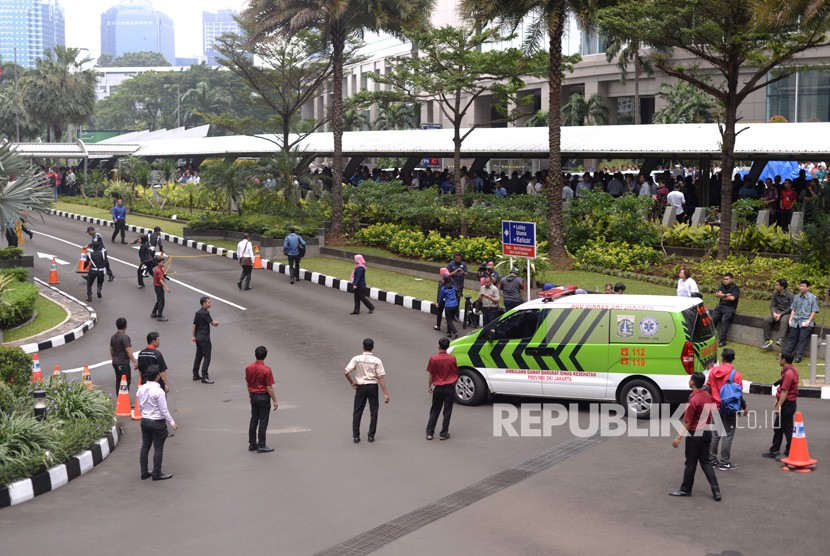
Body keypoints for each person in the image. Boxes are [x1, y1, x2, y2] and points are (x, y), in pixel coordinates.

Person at [670, 372, 721, 501]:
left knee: (690, 463)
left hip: (695, 435)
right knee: (706, 462)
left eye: (690, 379)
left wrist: (678, 437)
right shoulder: (708, 396)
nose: (689, 380)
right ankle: (716, 491)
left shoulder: (693, 400)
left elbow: (688, 422)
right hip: (707, 433)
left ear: (692, 382)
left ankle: (685, 489)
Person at [706, 348, 746, 471]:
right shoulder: (736, 375)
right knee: (728, 434)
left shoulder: (713, 372)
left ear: (722, 358)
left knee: (715, 434)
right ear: (733, 358)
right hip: (729, 408)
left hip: (715, 406)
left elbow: (708, 387)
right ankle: (724, 462)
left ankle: (712, 460)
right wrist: (744, 407)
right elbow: (738, 394)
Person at [344, 338, 390, 443]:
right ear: (372, 347)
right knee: (374, 411)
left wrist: (352, 382)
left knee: (357, 411)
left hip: (361, 387)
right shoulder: (377, 361)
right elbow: (381, 378)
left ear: (363, 347)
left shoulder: (356, 359)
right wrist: (385, 394)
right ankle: (371, 436)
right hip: (373, 387)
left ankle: (356, 436)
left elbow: (346, 372)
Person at [137, 365, 177, 481]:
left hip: (145, 421)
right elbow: (164, 410)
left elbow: (140, 406)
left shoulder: (141, 389)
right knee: (158, 448)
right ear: (157, 376)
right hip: (157, 422)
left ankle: (144, 472)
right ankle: (157, 473)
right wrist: (172, 422)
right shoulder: (159, 391)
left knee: (145, 446)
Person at [763, 352, 799, 461]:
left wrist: (779, 405)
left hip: (787, 404)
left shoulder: (788, 374)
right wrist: (777, 401)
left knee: (787, 429)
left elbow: (785, 391)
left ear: (784, 360)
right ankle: (775, 450)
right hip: (787, 403)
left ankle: (791, 451)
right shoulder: (791, 370)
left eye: (779, 358)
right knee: (779, 427)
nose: (779, 360)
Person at [245, 346, 278, 453]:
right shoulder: (266, 370)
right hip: (263, 397)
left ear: (255, 354)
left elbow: (248, 383)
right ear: (265, 356)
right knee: (263, 421)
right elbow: (269, 387)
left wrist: (250, 395)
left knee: (254, 419)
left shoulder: (248, 368)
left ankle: (252, 443)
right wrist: (275, 400)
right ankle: (261, 444)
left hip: (253, 395)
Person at [425, 337, 458, 441]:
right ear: (448, 347)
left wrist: (429, 386)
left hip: (438, 388)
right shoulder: (452, 358)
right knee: (447, 411)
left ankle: (430, 433)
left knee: (435, 410)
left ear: (438, 346)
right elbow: (455, 372)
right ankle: (444, 433)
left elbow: (431, 374)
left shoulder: (433, 359)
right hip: (449, 388)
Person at [785, 280, 819, 363]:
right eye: (800, 286)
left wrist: (808, 321)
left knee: (802, 339)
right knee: (792, 338)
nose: (801, 287)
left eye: (803, 286)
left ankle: (798, 357)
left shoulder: (812, 298)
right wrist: (790, 319)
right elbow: (793, 309)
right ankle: (785, 355)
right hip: (796, 321)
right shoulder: (796, 297)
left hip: (806, 321)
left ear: (808, 287)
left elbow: (814, 311)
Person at [192, 296, 219, 384]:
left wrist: (193, 336)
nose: (210, 304)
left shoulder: (198, 313)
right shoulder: (205, 313)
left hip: (198, 338)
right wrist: (217, 322)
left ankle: (195, 374)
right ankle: (205, 376)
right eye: (209, 302)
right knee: (207, 357)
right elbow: (213, 323)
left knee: (198, 356)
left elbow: (194, 325)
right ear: (204, 304)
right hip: (204, 338)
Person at [110, 317, 138, 398]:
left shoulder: (113, 337)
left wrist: (113, 358)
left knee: (118, 381)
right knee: (125, 381)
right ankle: (124, 400)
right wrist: (135, 362)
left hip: (115, 362)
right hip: (123, 363)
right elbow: (128, 350)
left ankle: (119, 399)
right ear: (126, 326)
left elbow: (111, 349)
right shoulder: (125, 337)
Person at [762, 279, 794, 349]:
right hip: (777, 311)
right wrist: (773, 312)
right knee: (766, 320)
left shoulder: (790, 295)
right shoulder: (775, 294)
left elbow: (791, 308)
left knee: (784, 320)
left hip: (786, 312)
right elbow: (772, 305)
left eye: (777, 285)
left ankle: (780, 339)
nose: (775, 286)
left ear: (782, 287)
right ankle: (767, 340)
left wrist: (781, 314)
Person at [710, 273, 740, 347]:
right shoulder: (722, 286)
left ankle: (722, 341)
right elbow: (717, 294)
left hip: (730, 308)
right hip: (720, 306)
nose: (725, 281)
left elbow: (732, 298)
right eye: (724, 279)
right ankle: (710, 337)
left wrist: (722, 296)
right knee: (712, 318)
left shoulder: (735, 288)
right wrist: (726, 295)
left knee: (725, 320)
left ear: (731, 279)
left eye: (727, 279)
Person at [151, 254, 171, 322]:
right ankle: (160, 316)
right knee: (161, 302)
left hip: (156, 287)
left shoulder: (157, 269)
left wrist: (164, 274)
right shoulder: (159, 270)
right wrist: (166, 287)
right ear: (158, 263)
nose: (164, 263)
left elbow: (160, 276)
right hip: (159, 287)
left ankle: (153, 313)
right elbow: (160, 280)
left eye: (164, 262)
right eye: (162, 262)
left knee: (159, 301)